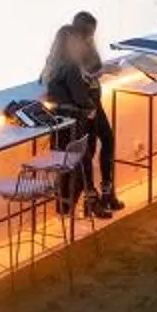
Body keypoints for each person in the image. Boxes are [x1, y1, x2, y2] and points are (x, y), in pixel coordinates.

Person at [40, 21, 113, 218]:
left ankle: (69, 205)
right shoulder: (71, 66)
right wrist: (90, 108)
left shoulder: (52, 65)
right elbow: (80, 96)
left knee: (72, 165)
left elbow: (48, 89)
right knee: (82, 161)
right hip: (74, 122)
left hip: (59, 124)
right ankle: (87, 202)